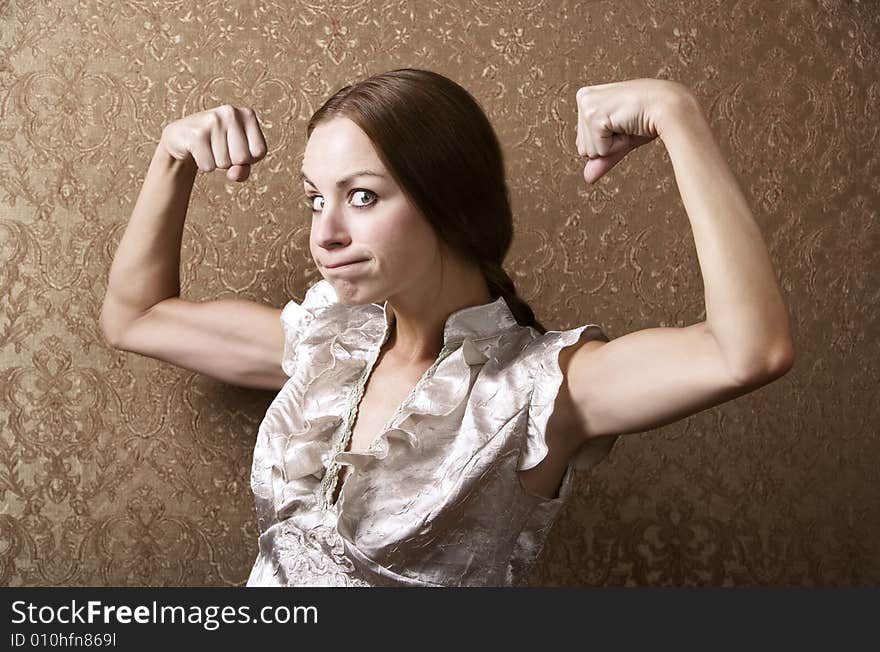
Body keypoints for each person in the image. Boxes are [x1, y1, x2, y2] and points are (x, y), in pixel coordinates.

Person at [100, 68, 794, 586]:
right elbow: (134, 316)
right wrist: (172, 156)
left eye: (361, 195)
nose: (325, 232)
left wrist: (679, 117)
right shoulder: (327, 344)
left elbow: (750, 351)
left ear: (447, 199)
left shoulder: (540, 389)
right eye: (316, 199)